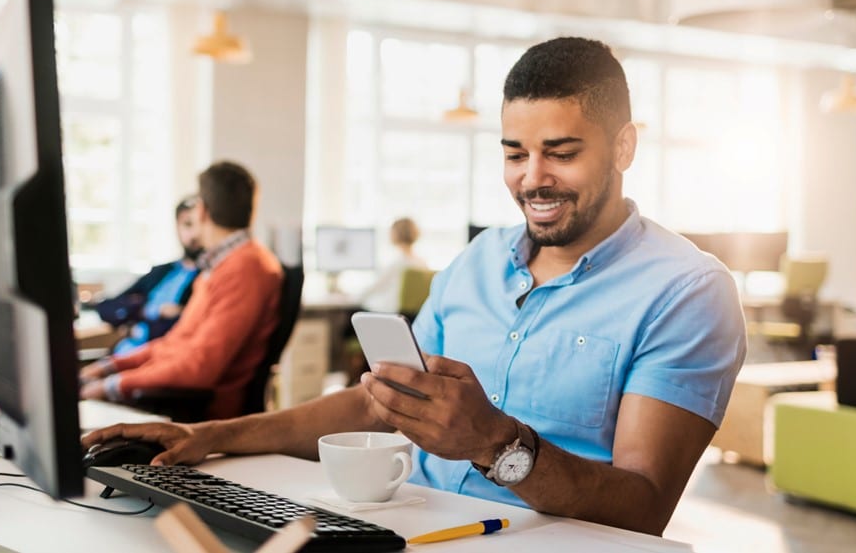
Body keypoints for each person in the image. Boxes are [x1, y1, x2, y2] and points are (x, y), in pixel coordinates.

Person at [83, 37, 746, 536]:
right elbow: (378, 402)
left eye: (562, 152)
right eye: (515, 152)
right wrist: (210, 434)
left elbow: (645, 502)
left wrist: (496, 443)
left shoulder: (687, 291)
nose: (532, 178)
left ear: (624, 147)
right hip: (407, 531)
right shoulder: (478, 260)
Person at [80, 161, 284, 420]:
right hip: (172, 396)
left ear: (201, 210)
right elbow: (175, 343)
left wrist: (113, 385)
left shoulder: (247, 268)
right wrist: (111, 367)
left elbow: (198, 368)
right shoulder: (221, 265)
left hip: (195, 411)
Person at [96, 196, 203, 356]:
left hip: (161, 359)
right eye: (187, 225)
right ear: (177, 227)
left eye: (199, 225)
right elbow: (107, 307)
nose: (193, 234)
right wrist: (146, 311)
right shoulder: (161, 271)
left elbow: (185, 329)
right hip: (121, 355)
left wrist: (139, 327)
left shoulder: (208, 277)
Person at [357, 217, 430, 313]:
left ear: (395, 234)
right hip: (411, 316)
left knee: (353, 313)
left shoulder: (398, 263)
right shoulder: (422, 263)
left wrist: (354, 297)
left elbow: (376, 287)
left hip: (390, 313)